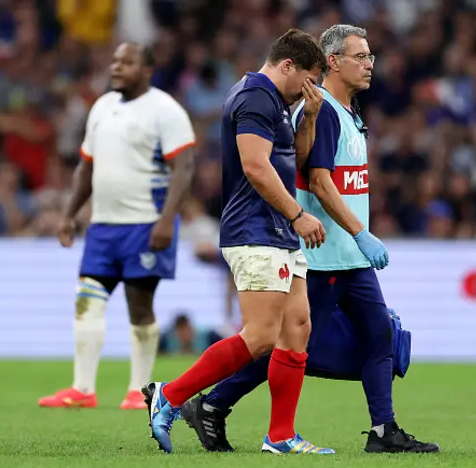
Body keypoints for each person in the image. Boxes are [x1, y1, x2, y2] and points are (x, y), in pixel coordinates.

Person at [179, 25, 440, 454]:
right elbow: (316, 179)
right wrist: (361, 232)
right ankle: (211, 404)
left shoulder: (344, 112)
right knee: (284, 346)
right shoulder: (324, 113)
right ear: (333, 62)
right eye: (361, 56)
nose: (370, 63)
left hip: (348, 257)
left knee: (379, 336)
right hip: (321, 255)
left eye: (371, 55)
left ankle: (383, 431)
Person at [142, 28, 333, 455]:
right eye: (309, 80)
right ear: (288, 66)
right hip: (255, 229)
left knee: (296, 329)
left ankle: (281, 436)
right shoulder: (254, 98)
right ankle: (169, 395)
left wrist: (312, 117)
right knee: (262, 335)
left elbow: (294, 162)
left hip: (277, 231)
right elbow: (255, 167)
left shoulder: (281, 103)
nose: (312, 89)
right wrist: (298, 214)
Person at [38, 42, 196, 410]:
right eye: (114, 60)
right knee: (86, 301)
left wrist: (167, 219)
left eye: (127, 62)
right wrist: (69, 213)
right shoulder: (102, 106)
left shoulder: (165, 110)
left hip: (145, 224)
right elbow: (85, 167)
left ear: (147, 71)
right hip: (103, 227)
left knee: (139, 306)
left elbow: (184, 168)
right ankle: (82, 389)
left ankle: (138, 391)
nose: (116, 67)